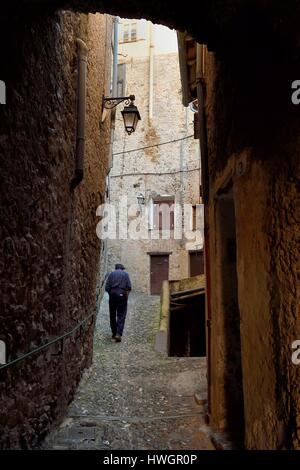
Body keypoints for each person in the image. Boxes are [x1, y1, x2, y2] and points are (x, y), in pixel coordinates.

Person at [105, 263, 132, 342]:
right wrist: (125, 295)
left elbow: (107, 287)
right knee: (121, 314)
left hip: (112, 295)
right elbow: (129, 287)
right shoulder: (126, 274)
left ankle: (113, 333)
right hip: (122, 295)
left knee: (112, 314)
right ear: (122, 268)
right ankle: (118, 334)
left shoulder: (111, 274)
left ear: (116, 268)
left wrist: (111, 293)